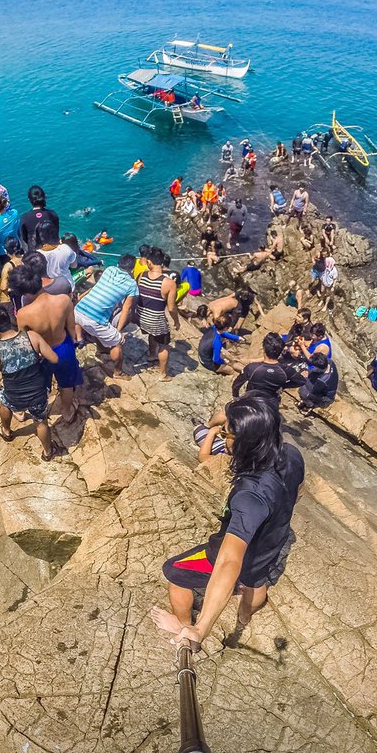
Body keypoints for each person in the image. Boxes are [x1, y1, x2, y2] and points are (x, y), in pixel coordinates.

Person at [151, 394, 304, 644]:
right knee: (255, 580)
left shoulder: (249, 496)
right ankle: (244, 616)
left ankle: (183, 627)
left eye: (227, 434)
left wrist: (201, 628)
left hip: (241, 550)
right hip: (272, 541)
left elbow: (228, 561)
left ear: (246, 442)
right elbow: (298, 491)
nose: (224, 438)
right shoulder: (291, 454)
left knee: (175, 572)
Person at [0, 303, 59, 459]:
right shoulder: (32, 337)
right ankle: (48, 452)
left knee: (4, 402)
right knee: (41, 423)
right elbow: (54, 358)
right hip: (38, 394)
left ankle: (7, 432)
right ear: (9, 319)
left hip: (14, 397)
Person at [11, 263, 83, 422]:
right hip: (64, 347)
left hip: (42, 353)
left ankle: (39, 412)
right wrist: (73, 346)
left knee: (41, 385)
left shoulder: (23, 314)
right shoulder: (64, 300)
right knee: (67, 384)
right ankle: (67, 412)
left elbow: (26, 341)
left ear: (24, 292)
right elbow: (71, 328)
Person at [74, 254, 139, 377]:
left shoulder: (109, 270)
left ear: (118, 264)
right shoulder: (131, 285)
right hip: (94, 319)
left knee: (98, 329)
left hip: (78, 311)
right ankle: (118, 372)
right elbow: (126, 309)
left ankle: (102, 349)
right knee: (117, 343)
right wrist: (118, 332)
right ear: (132, 269)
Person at [136, 247, 181, 379]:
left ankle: (151, 355)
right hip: (155, 320)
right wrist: (176, 321)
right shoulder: (169, 283)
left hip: (141, 317)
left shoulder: (141, 276)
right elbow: (171, 308)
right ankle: (163, 374)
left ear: (149, 262)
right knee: (164, 345)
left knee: (153, 334)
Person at [231, 333, 305, 406]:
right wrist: (283, 386)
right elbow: (301, 381)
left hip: (252, 401)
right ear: (280, 352)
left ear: (264, 349)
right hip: (271, 403)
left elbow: (237, 384)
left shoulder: (252, 368)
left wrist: (235, 396)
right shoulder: (286, 370)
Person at [35, 220, 77, 291]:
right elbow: (74, 266)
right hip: (68, 287)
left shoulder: (36, 255)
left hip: (48, 291)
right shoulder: (66, 248)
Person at [19, 185, 60, 251]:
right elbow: (56, 231)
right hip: (53, 249)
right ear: (44, 197)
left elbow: (24, 238)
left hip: (35, 252)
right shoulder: (52, 214)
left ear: (29, 199)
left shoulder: (24, 218)